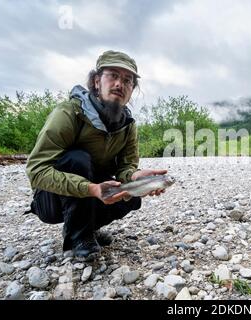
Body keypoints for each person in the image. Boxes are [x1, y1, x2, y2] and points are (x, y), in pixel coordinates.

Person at [25, 50, 167, 259]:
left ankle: (87, 227)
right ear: (96, 81)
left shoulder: (128, 125)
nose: (120, 84)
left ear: (131, 90)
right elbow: (36, 171)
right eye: (113, 76)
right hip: (50, 200)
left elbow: (125, 168)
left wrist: (134, 178)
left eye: (128, 81)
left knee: (131, 198)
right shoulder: (69, 113)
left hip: (92, 191)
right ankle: (79, 236)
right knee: (77, 160)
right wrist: (91, 189)